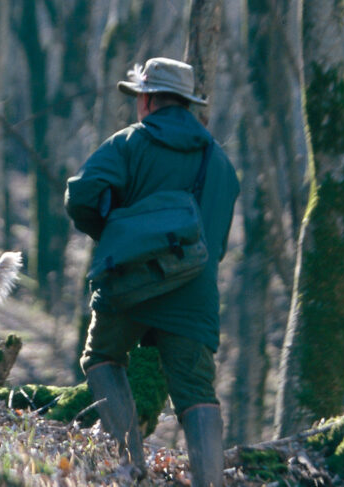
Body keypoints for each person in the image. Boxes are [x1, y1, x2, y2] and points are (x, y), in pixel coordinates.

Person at [64, 57, 239, 486]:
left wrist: (116, 232)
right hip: (193, 295)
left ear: (145, 100)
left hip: (129, 282)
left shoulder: (128, 143)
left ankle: (131, 464)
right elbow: (214, 242)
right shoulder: (220, 163)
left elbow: (80, 196)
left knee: (101, 356)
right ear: (188, 104)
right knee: (197, 394)